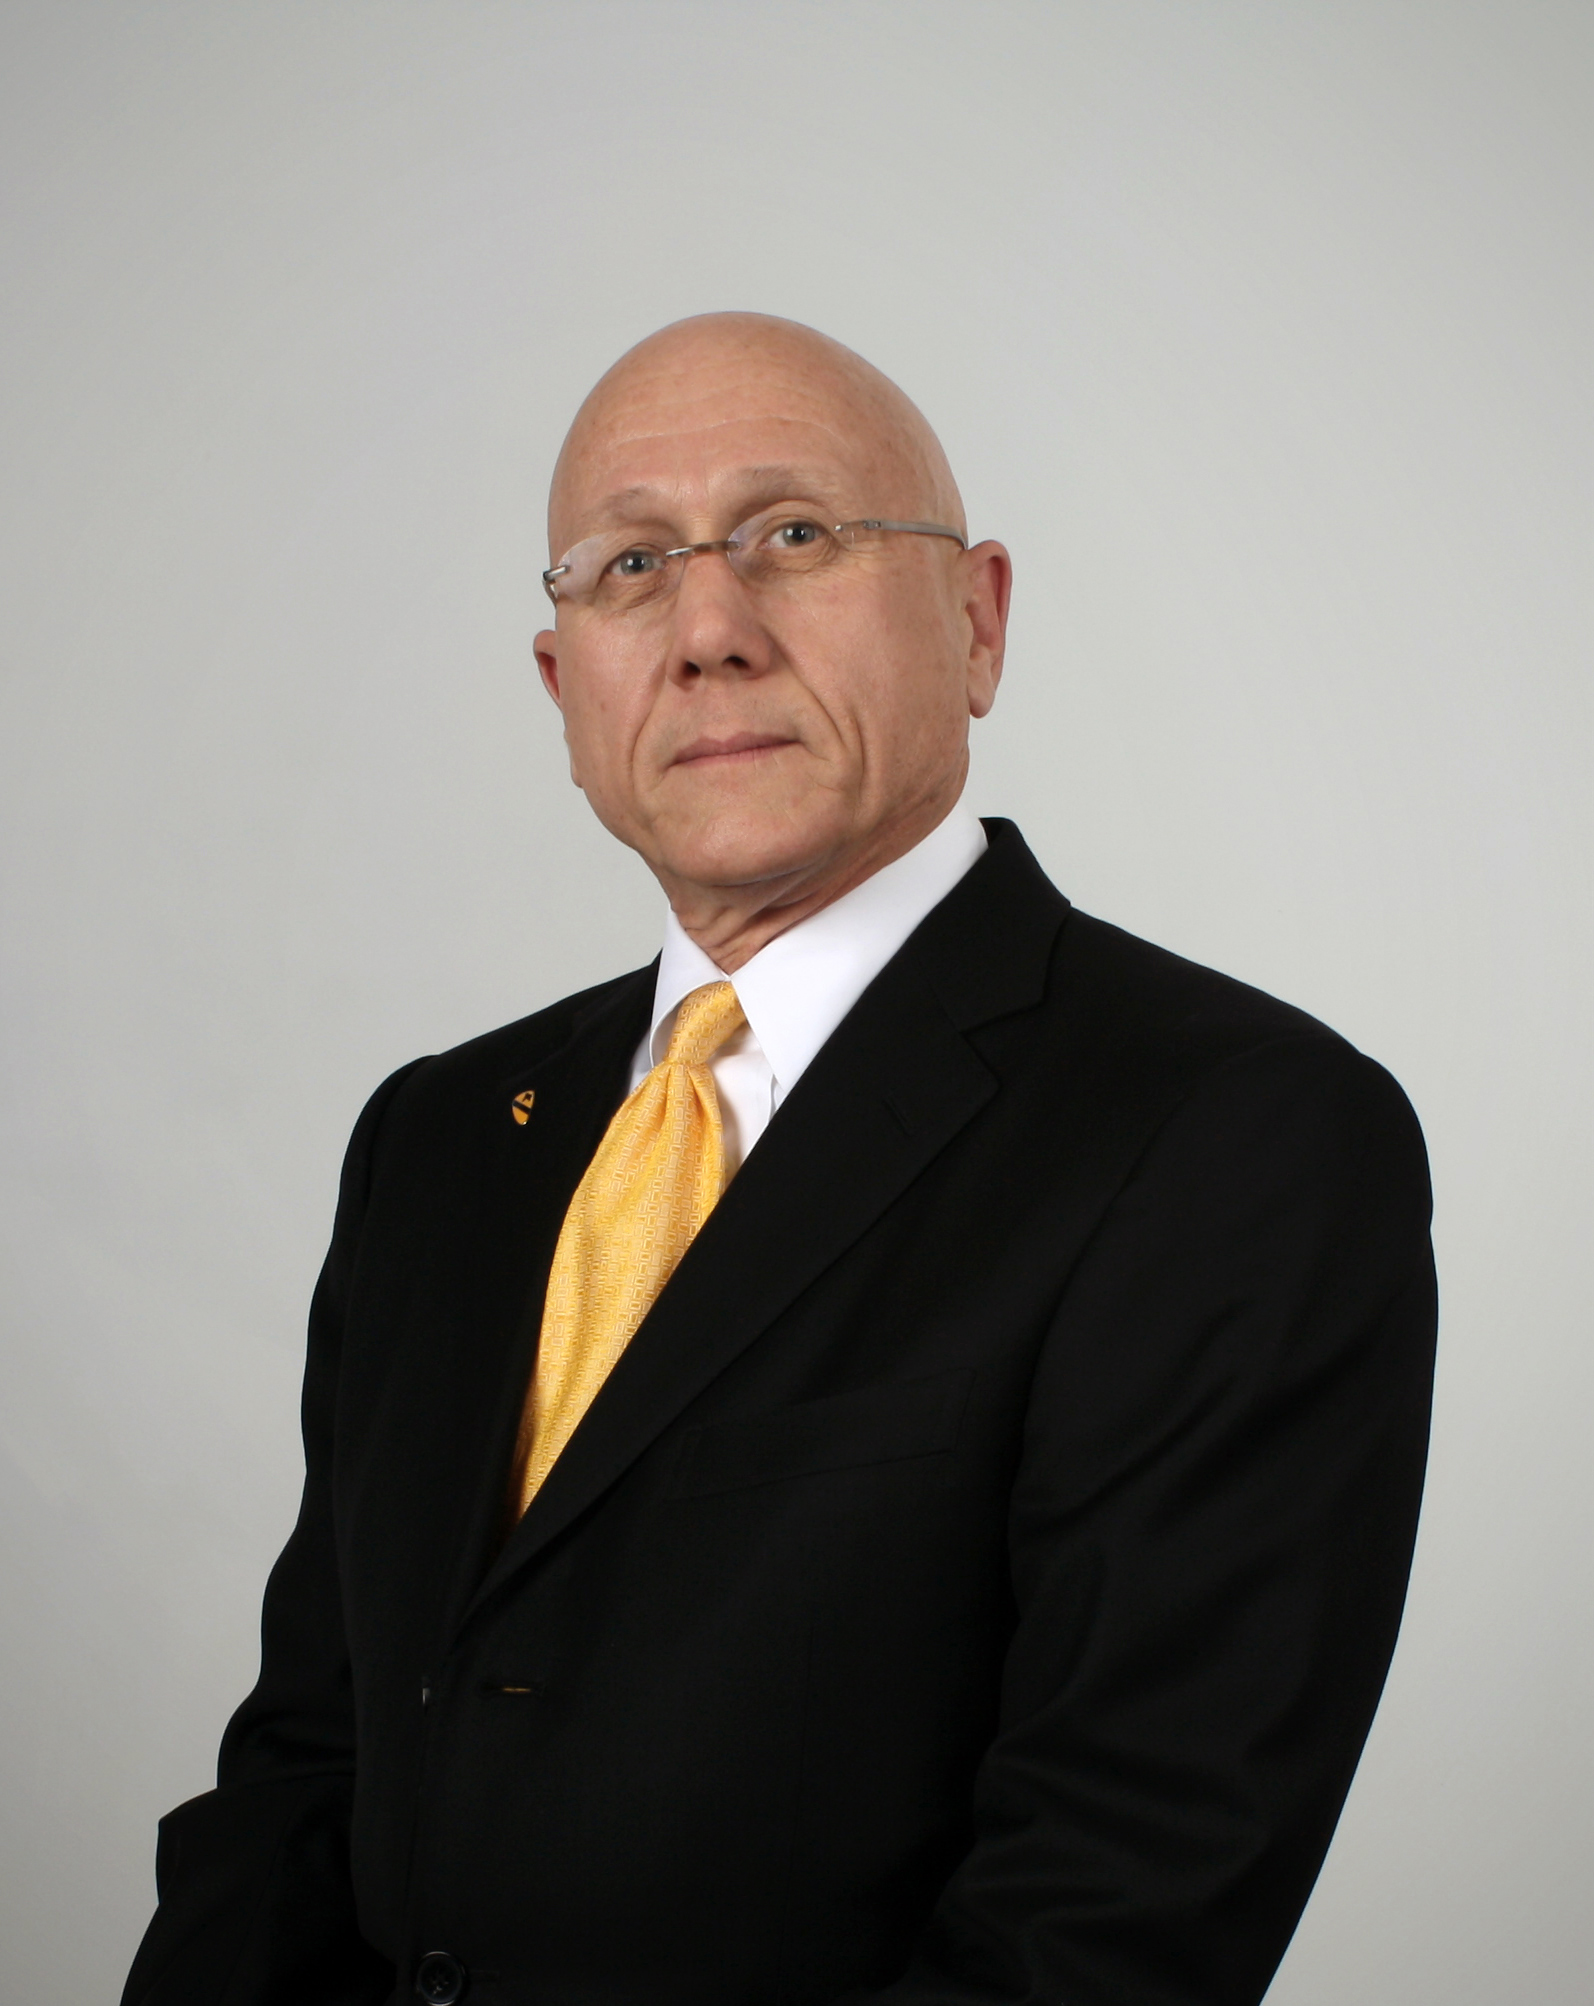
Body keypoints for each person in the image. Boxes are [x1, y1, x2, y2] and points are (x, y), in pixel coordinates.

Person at [122, 313, 1437, 2006]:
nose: (707, 632)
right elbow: (313, 1765)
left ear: (976, 621)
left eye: (793, 534)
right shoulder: (439, 1137)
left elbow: (1110, 1915)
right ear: (564, 689)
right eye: (628, 566)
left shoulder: (1229, 1131)